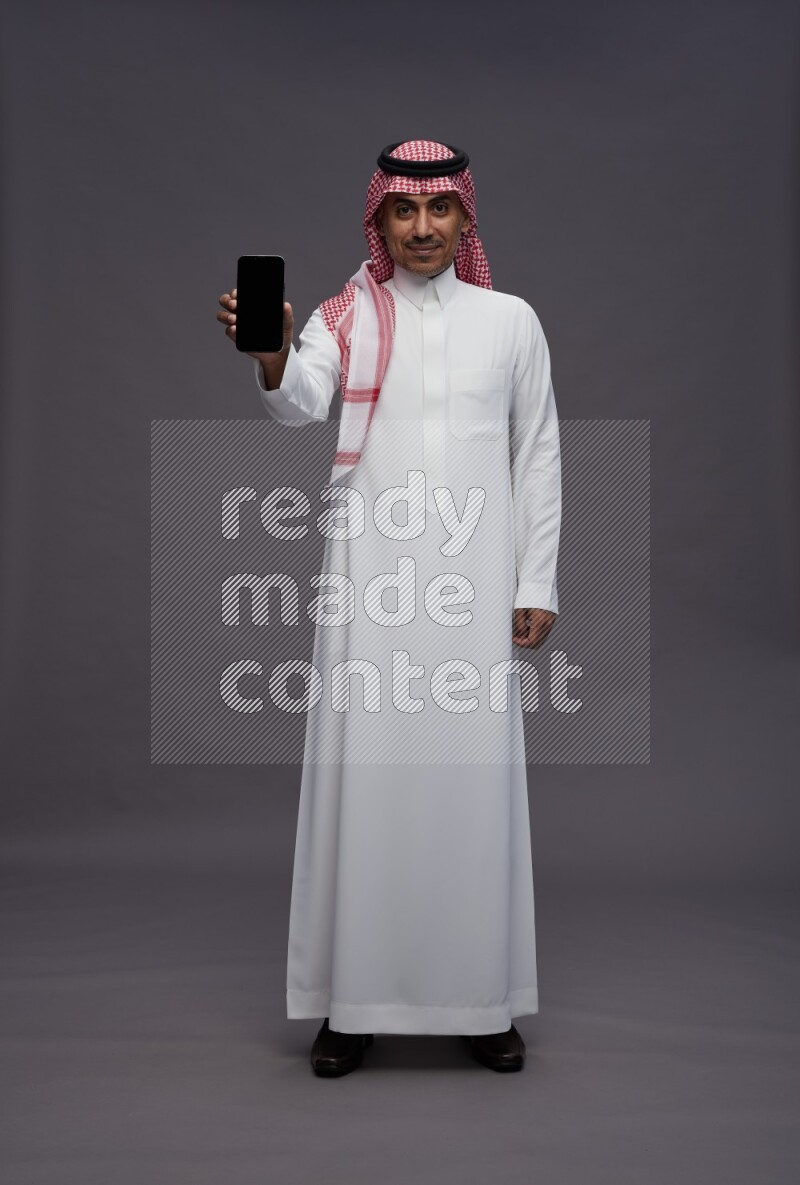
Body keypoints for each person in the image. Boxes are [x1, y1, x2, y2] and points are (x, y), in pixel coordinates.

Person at [217, 139, 562, 1076]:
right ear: (379, 220)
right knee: (362, 782)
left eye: (438, 209)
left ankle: (481, 1001)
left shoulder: (511, 321)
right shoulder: (347, 315)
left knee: (472, 787)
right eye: (402, 212)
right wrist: (272, 352)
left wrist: (535, 582)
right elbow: (298, 403)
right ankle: (351, 1004)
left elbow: (538, 453)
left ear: (464, 218)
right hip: (369, 583)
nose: (421, 228)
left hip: (473, 588)